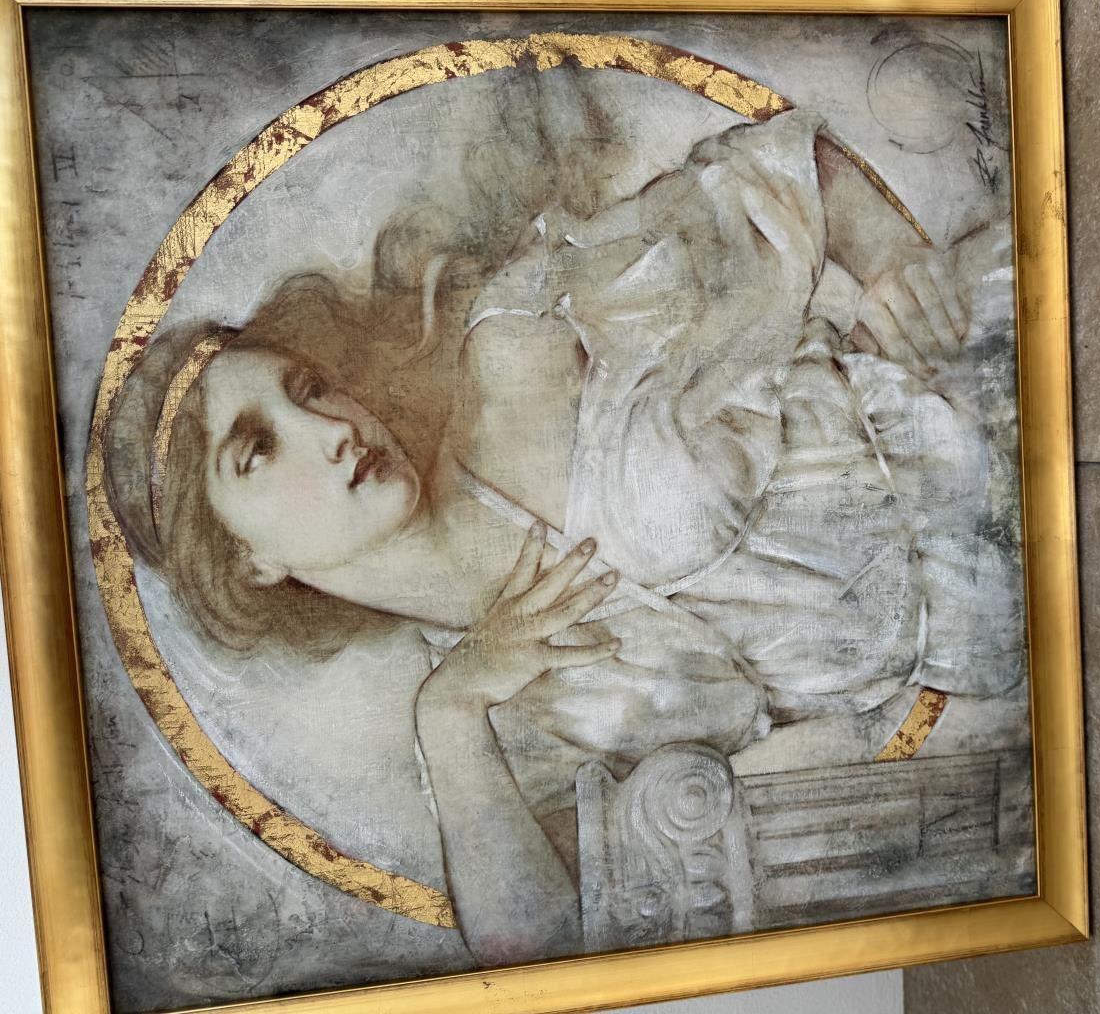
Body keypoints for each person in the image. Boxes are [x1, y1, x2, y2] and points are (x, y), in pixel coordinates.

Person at [104, 66, 1022, 966]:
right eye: (259, 449)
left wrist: (893, 259)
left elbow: (768, 173)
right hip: (1015, 670)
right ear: (249, 561)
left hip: (995, 382)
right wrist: (449, 713)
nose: (332, 428)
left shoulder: (517, 346)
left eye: (308, 389)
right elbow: (541, 943)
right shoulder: (502, 721)